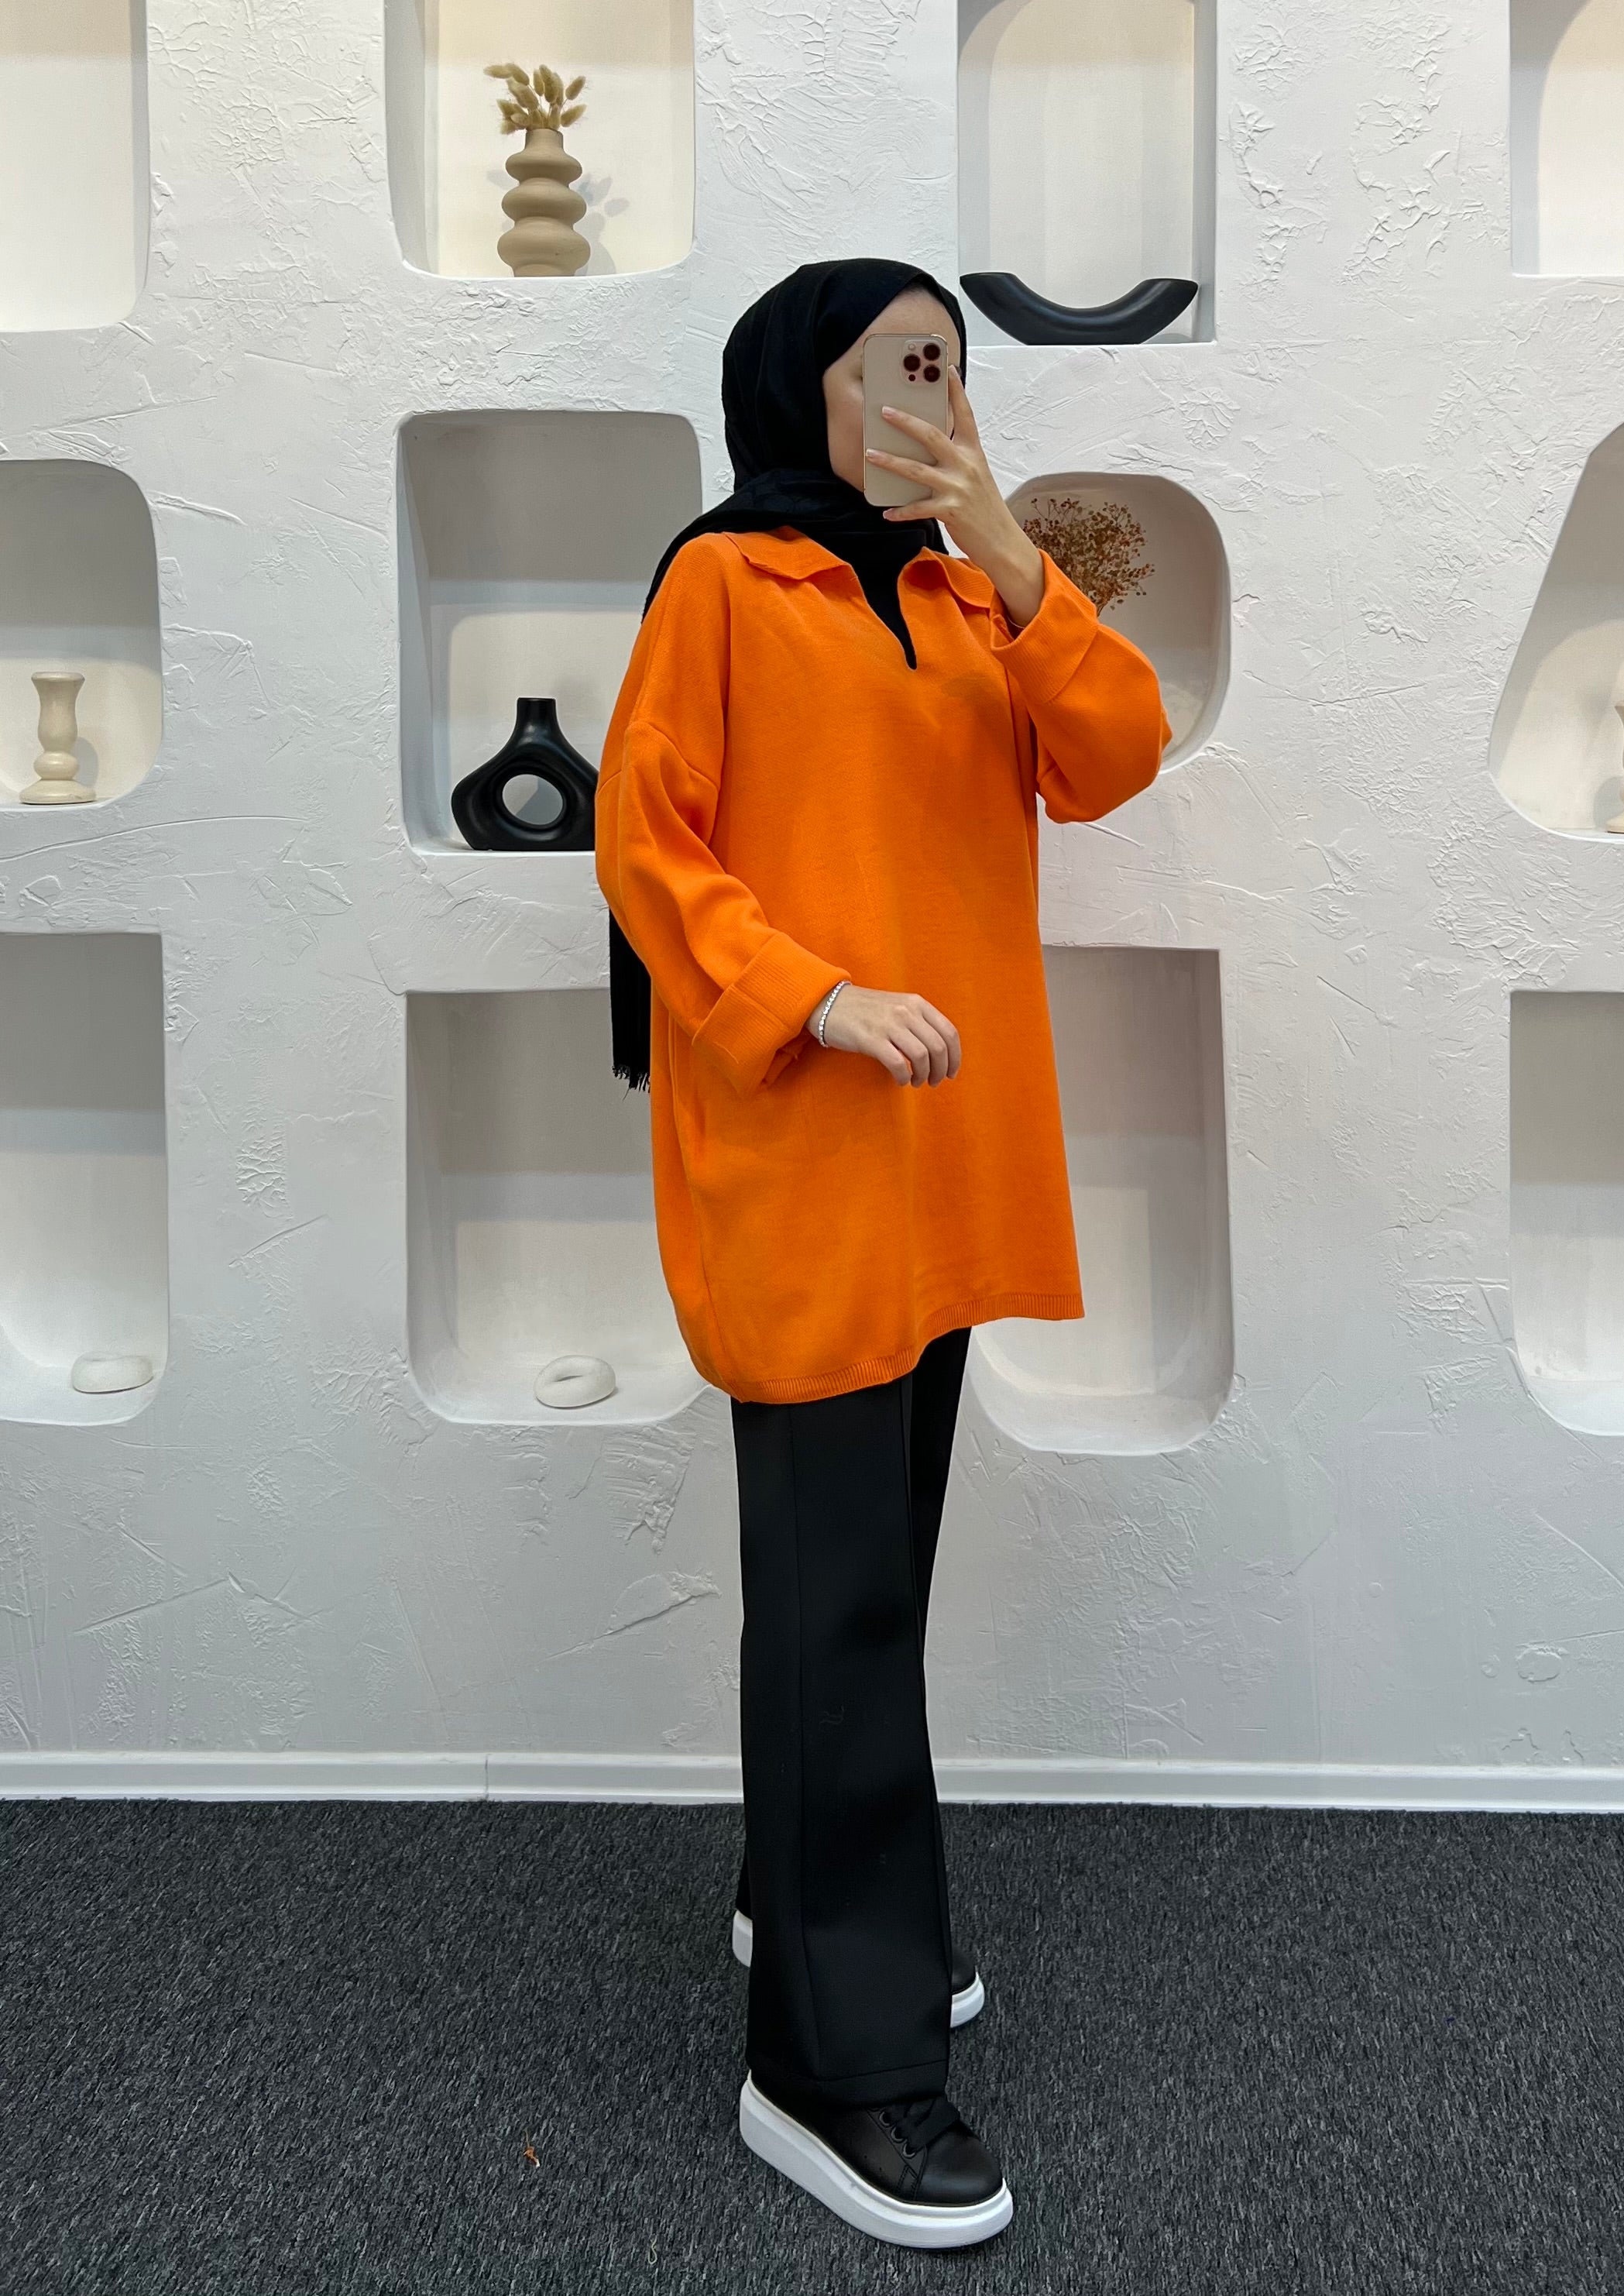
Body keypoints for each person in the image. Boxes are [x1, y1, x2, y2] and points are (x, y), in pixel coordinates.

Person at [593, 257, 1172, 2250]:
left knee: (870, 1576)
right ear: (801, 389)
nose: (932, 395)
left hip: (942, 1159)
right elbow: (646, 842)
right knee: (834, 1602)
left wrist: (1007, 548)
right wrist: (812, 993)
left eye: (951, 366)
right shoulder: (720, 583)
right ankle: (827, 2068)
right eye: (897, 364)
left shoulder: (962, 593)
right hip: (803, 1146)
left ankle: (805, 1896)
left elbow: (1112, 757)